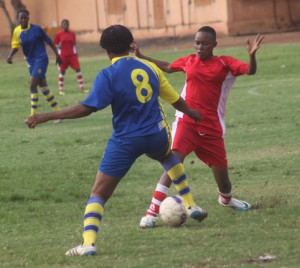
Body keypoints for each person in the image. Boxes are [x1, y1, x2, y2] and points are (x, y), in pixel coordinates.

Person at [25, 24, 208, 256]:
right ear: (130, 45)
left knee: (99, 193)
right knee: (167, 156)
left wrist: (46, 116)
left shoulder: (108, 75)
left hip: (126, 141)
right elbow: (174, 99)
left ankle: (88, 244)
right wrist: (192, 113)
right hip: (155, 134)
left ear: (107, 50)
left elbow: (86, 108)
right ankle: (191, 204)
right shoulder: (150, 67)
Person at [132, 26, 264, 228]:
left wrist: (252, 56)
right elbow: (167, 67)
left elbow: (250, 70)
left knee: (224, 183)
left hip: (211, 129)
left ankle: (226, 199)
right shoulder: (189, 61)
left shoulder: (224, 63)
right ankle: (151, 213)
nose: (199, 47)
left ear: (214, 45)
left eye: (204, 43)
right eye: (197, 43)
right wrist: (141, 56)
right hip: (187, 122)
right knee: (173, 162)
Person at [7, 9, 62, 119]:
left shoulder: (37, 29)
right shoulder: (17, 31)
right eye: (20, 18)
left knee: (32, 84)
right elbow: (16, 45)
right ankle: (58, 112)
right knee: (43, 87)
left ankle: (33, 115)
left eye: (25, 18)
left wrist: (57, 55)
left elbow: (49, 41)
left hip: (41, 59)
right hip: (30, 62)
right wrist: (10, 55)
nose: (23, 20)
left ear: (28, 18)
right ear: (18, 19)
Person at [53, 19, 88, 96]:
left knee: (78, 69)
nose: (65, 25)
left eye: (66, 24)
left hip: (72, 55)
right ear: (62, 25)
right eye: (64, 24)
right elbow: (54, 43)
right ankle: (61, 90)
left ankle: (82, 88)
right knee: (62, 72)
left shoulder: (72, 33)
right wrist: (58, 46)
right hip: (63, 56)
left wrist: (76, 54)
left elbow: (74, 44)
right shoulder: (59, 34)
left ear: (68, 25)